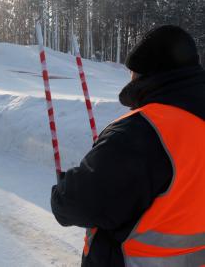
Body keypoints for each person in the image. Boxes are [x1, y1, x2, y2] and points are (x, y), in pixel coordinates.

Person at [51, 25, 205, 266]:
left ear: (143, 73)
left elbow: (76, 203)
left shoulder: (144, 131)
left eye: (132, 71)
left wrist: (63, 190)